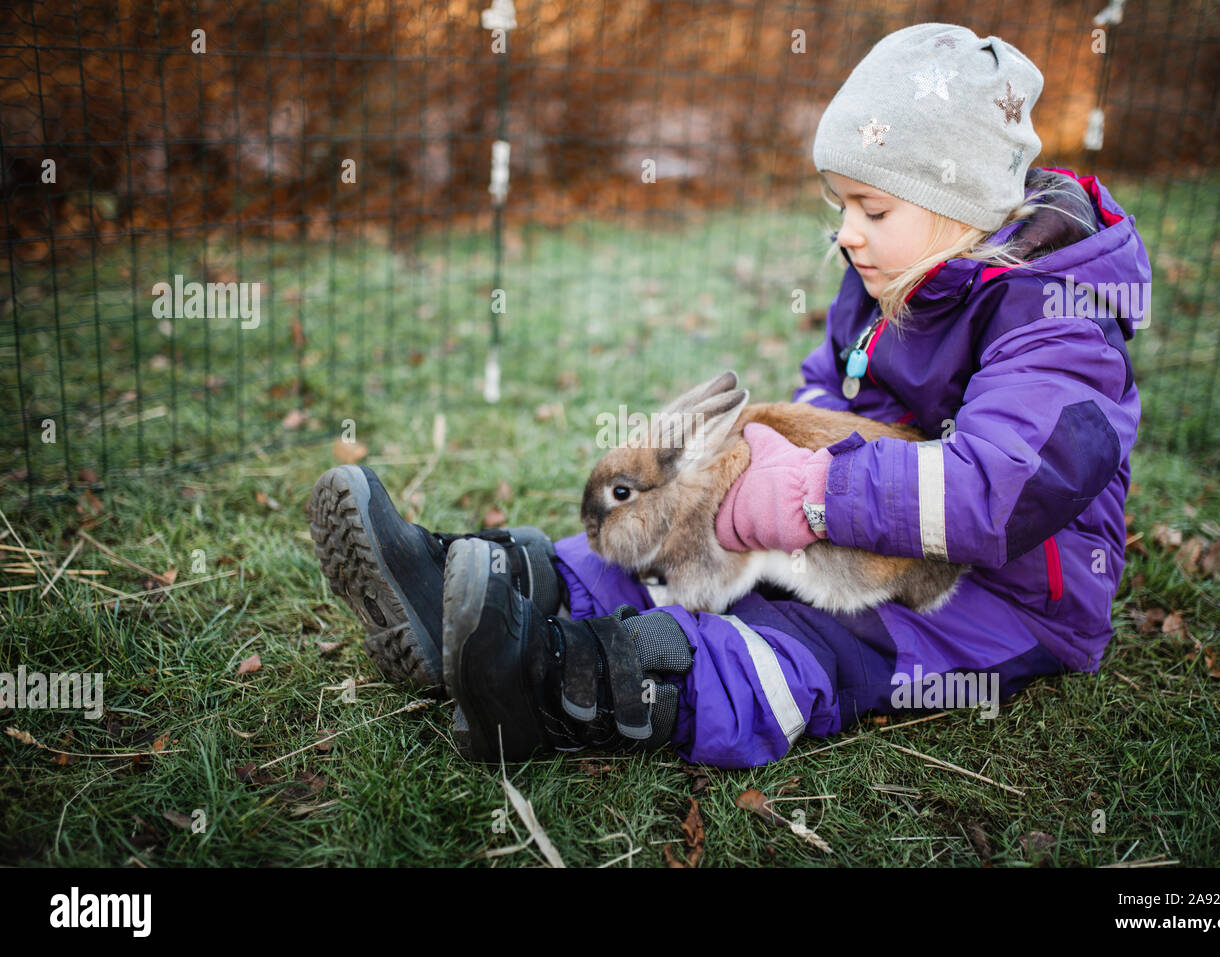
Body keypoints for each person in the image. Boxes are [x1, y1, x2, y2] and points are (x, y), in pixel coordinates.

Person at [308, 22, 1146, 770]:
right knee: (687, 527)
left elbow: (997, 489)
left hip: (995, 600)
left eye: (873, 206)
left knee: (802, 637)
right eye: (840, 202)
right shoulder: (888, 274)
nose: (846, 230)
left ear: (959, 208)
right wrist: (752, 462)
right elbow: (835, 392)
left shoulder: (1059, 325)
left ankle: (566, 688)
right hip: (869, 543)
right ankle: (489, 584)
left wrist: (818, 493)